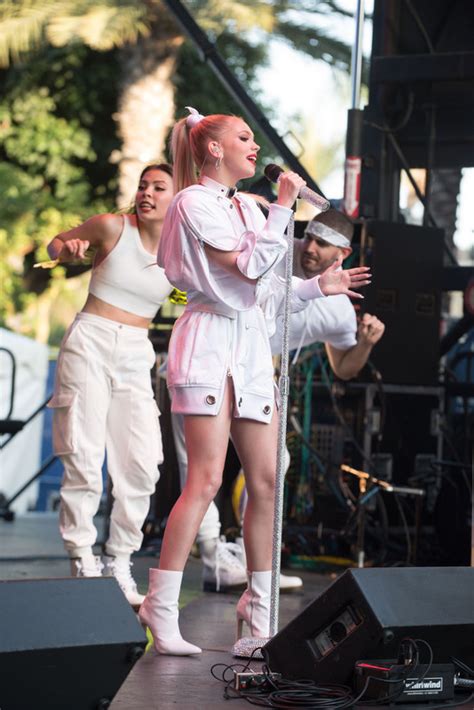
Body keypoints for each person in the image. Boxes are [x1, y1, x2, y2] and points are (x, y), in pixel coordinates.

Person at [139, 106, 371, 655]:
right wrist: (285, 206)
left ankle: (260, 610)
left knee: (268, 479)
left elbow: (265, 293)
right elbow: (243, 271)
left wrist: (321, 285)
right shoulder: (193, 203)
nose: (255, 146)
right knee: (206, 480)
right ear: (213, 149)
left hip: (248, 347)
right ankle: (161, 604)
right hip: (207, 342)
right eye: (243, 137)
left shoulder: (248, 205)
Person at [47, 164, 174, 607]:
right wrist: (69, 247)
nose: (147, 193)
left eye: (160, 187)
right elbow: (58, 244)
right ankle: (82, 556)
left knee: (143, 462)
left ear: (179, 199)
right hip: (92, 338)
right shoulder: (112, 226)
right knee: (82, 453)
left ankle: (119, 559)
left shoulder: (182, 251)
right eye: (143, 185)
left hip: (137, 350)